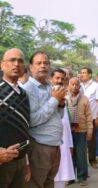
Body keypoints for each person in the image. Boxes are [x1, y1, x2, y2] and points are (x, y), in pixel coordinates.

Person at [23, 51, 67, 188]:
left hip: (54, 146)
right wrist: (54, 100)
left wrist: (60, 105)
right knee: (36, 184)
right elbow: (33, 119)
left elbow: (58, 116)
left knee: (49, 183)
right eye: (39, 63)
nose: (43, 66)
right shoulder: (27, 89)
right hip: (40, 147)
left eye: (46, 63)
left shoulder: (50, 87)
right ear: (31, 67)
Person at [0, 48, 31, 188]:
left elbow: (25, 130)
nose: (16, 64)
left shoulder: (24, 94)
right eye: (12, 60)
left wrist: (27, 162)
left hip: (20, 162)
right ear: (2, 65)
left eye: (20, 61)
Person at [66, 77, 93, 186]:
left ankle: (82, 177)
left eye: (77, 84)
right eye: (72, 84)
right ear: (68, 85)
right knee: (69, 155)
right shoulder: (64, 97)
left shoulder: (84, 99)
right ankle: (70, 177)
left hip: (81, 130)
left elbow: (89, 116)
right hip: (68, 131)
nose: (74, 86)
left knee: (81, 155)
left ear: (79, 86)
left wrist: (90, 131)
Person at [52, 69, 75, 188]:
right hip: (49, 143)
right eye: (57, 78)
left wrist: (70, 144)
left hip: (64, 141)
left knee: (62, 175)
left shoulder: (65, 98)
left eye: (63, 79)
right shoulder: (47, 94)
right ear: (51, 79)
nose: (60, 81)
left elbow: (66, 122)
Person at [79, 67, 98, 169]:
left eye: (84, 73)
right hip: (80, 118)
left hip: (92, 117)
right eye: (81, 73)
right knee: (81, 141)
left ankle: (92, 160)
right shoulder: (78, 85)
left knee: (91, 139)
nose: (82, 74)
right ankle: (81, 162)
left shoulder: (96, 86)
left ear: (90, 75)